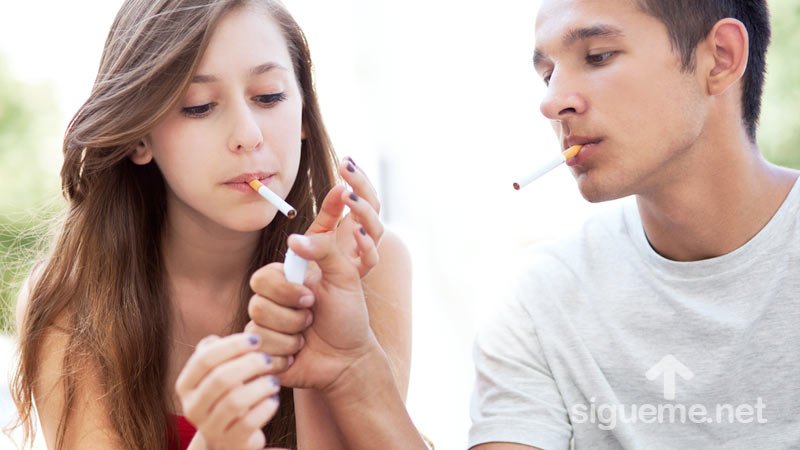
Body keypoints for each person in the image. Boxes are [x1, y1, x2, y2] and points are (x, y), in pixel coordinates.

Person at [11, 1, 411, 449]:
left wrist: (324, 359)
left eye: (269, 97)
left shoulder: (368, 265)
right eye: (199, 106)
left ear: (303, 111)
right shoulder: (71, 300)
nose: (248, 134)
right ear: (139, 136)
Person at [468, 0, 800, 449]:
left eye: (598, 56)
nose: (552, 102)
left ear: (720, 57)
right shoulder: (542, 299)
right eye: (548, 75)